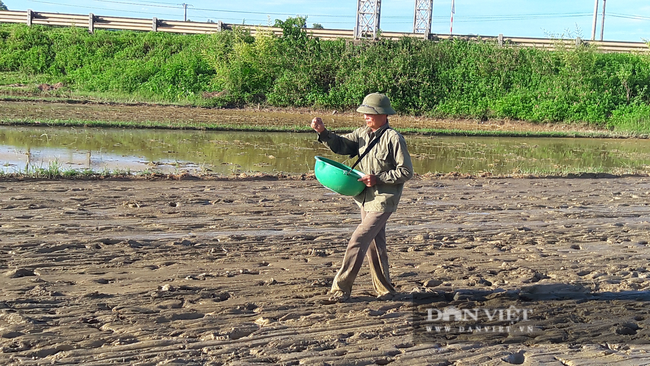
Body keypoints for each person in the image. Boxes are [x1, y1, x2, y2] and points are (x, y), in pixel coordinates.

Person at [311, 93, 414, 302]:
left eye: (370, 113)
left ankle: (341, 289)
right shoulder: (361, 134)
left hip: (384, 199)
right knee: (375, 245)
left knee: (358, 239)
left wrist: (378, 178)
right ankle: (386, 290)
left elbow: (406, 172)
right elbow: (341, 145)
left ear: (383, 115)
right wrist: (323, 132)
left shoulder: (394, 138)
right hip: (365, 198)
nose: (366, 116)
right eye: (365, 113)